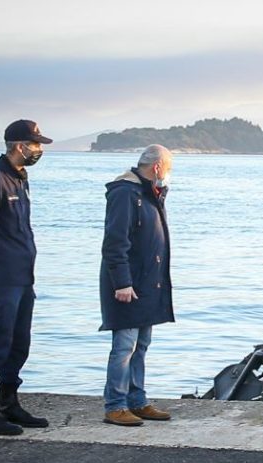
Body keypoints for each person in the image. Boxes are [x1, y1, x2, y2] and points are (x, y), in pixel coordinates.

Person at [0, 119, 53, 436]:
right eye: (36, 145)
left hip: (22, 277)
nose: (39, 150)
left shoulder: (19, 178)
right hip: (3, 278)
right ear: (19, 146)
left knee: (19, 342)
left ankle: (9, 403)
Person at [100, 144, 175, 426]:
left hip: (148, 284)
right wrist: (121, 282)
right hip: (128, 285)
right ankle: (115, 404)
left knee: (141, 344)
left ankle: (137, 399)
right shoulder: (125, 193)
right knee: (124, 347)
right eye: (168, 168)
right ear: (156, 167)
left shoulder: (151, 193)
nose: (168, 175)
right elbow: (115, 242)